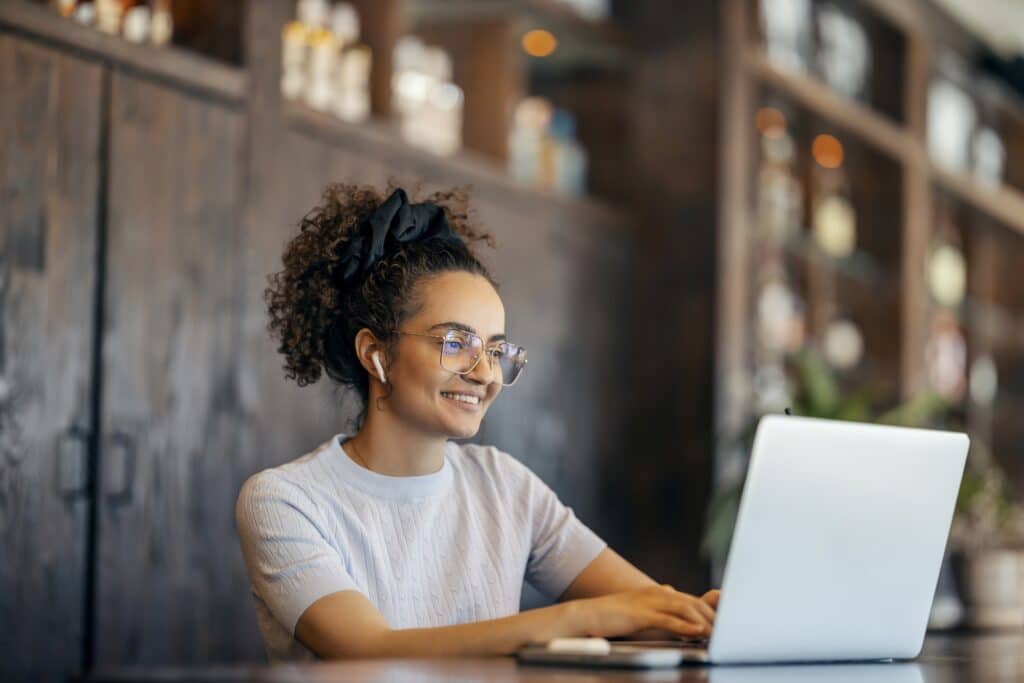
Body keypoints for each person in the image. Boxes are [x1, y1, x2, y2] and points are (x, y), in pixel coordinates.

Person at [236, 184, 720, 661]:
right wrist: (583, 616)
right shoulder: (285, 500)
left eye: (495, 350)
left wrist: (706, 615)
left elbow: (648, 609)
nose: (486, 374)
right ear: (375, 353)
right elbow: (370, 650)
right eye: (455, 343)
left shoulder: (505, 486)